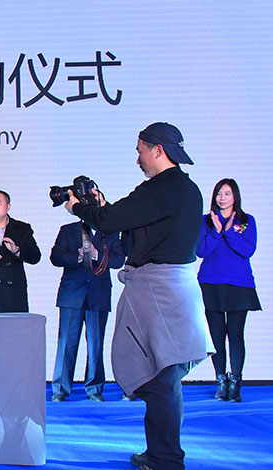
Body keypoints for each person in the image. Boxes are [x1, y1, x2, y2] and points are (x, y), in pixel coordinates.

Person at [65, 122, 213, 470]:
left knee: (161, 378)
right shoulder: (185, 189)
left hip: (160, 292)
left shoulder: (161, 188)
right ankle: (162, 453)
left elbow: (111, 220)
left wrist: (78, 209)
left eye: (140, 151)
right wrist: (103, 208)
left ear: (158, 150)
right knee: (165, 375)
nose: (138, 159)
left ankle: (166, 458)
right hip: (173, 289)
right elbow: (130, 221)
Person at [49, 206, 126, 402]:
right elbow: (55, 257)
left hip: (98, 294)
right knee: (66, 342)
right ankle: (60, 388)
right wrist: (78, 257)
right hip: (72, 294)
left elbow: (118, 260)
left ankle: (94, 388)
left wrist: (96, 255)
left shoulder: (110, 232)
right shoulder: (68, 230)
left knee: (95, 343)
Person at [196, 178, 261, 402]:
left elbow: (248, 250)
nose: (222, 198)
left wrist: (229, 232)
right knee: (216, 336)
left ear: (235, 197)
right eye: (219, 194)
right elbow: (201, 251)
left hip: (239, 283)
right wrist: (216, 232)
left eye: (227, 194)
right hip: (211, 282)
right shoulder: (206, 220)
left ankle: (236, 383)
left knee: (235, 334)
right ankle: (221, 382)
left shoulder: (246, 221)